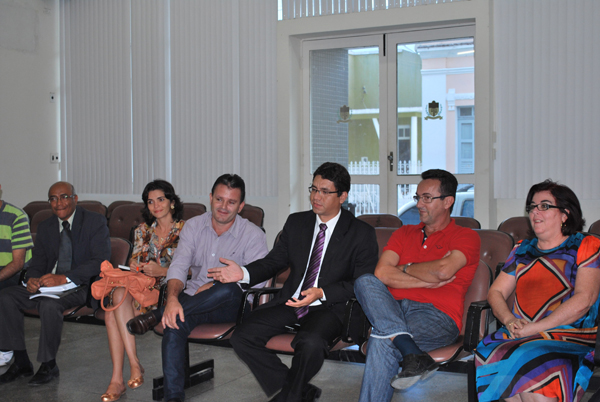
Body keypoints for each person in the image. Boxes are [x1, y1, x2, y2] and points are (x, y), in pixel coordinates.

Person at [208, 162, 379, 402]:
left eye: (324, 191)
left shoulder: (361, 233)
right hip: (292, 301)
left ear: (342, 196)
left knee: (310, 343)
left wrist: (321, 292)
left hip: (330, 307)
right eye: (314, 189)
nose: (316, 197)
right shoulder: (297, 223)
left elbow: (362, 283)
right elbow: (274, 261)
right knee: (242, 336)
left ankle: (289, 397)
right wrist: (243, 273)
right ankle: (299, 391)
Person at [126, 174, 268, 402]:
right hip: (193, 301)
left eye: (231, 202)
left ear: (241, 206)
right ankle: (173, 397)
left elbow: (258, 281)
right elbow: (179, 267)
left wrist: (215, 285)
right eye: (219, 199)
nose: (223, 207)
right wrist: (172, 299)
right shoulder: (193, 226)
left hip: (232, 306)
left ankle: (156, 315)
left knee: (228, 289)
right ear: (211, 198)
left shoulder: (253, 235)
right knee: (174, 321)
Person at [353, 169, 481, 401]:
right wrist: (425, 277)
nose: (419, 204)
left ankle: (405, 346)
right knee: (365, 281)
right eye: (418, 197)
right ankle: (411, 351)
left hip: (436, 317)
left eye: (427, 198)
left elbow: (443, 271)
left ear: (448, 202)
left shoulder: (466, 236)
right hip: (391, 309)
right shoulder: (403, 233)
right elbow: (381, 273)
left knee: (382, 340)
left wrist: (403, 269)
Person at [475, 180, 600, 402]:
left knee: (529, 355)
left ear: (565, 214)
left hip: (569, 334)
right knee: (491, 349)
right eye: (532, 207)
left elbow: (585, 299)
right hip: (521, 331)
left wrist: (535, 328)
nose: (535, 212)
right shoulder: (522, 249)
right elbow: (496, 293)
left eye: (544, 206)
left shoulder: (586, 245)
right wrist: (509, 320)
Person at [0, 181, 111, 386]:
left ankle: (48, 364)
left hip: (81, 285)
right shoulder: (46, 226)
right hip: (49, 285)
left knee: (49, 305)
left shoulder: (94, 221)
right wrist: (32, 279)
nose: (58, 203)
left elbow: (100, 261)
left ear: (75, 199)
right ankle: (21, 362)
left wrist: (65, 278)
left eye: (64, 197)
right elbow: (38, 263)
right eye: (53, 198)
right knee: (6, 297)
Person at [101, 180, 185, 402]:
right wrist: (137, 266)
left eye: (161, 200)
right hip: (142, 290)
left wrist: (163, 271)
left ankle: (119, 378)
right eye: (150, 202)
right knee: (117, 297)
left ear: (172, 202)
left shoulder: (186, 230)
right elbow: (135, 262)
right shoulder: (142, 231)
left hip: (171, 293)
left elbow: (193, 270)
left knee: (111, 313)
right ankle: (132, 365)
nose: (156, 206)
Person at [0, 184, 34, 367]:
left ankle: (5, 348)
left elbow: (17, 263)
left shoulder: (16, 216)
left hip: (16, 272)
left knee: (4, 294)